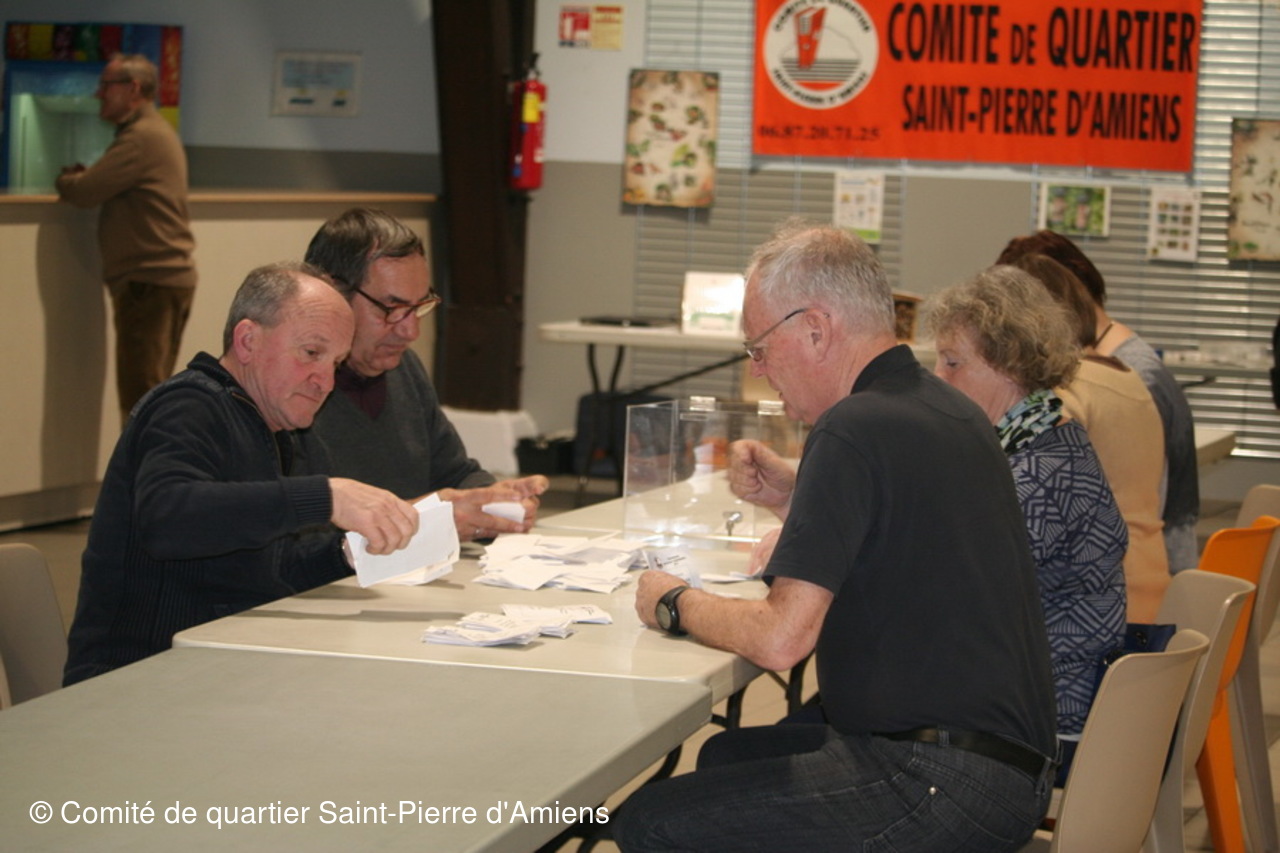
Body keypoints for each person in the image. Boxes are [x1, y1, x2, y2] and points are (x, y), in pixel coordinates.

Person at [613, 223, 1057, 852]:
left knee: (650, 820)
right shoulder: (944, 406)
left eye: (760, 347)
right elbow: (895, 538)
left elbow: (780, 638)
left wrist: (673, 601)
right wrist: (796, 498)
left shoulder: (853, 426)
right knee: (725, 757)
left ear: (817, 329)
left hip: (938, 780)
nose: (758, 369)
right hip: (1010, 766)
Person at [63, 262, 419, 686]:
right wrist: (327, 497)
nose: (324, 381)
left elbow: (269, 571)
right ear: (247, 340)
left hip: (221, 669)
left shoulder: (284, 432)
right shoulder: (187, 406)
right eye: (311, 353)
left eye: (336, 363)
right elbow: (168, 517)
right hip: (134, 682)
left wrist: (349, 552)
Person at [926, 265, 1127, 782]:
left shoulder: (1035, 478)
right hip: (1046, 700)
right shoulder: (1050, 439)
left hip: (1040, 727)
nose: (938, 378)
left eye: (953, 362)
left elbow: (940, 597)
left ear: (1010, 363)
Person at [298, 207, 547, 541]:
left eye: (419, 307)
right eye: (392, 309)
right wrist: (429, 518)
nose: (411, 331)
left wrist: (494, 499)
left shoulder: (404, 369)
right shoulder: (291, 389)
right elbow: (298, 538)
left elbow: (454, 473)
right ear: (331, 293)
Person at [997, 230, 1199, 573]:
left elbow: (1016, 480)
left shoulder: (1068, 393)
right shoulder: (1127, 372)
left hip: (1113, 581)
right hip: (1145, 568)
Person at [1008, 253, 1170, 622]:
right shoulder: (1128, 377)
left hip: (1100, 602)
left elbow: (1026, 504)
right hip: (1148, 582)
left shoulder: (1066, 393)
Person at [55, 53, 197, 422]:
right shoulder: (154, 133)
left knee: (140, 400)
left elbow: (84, 191)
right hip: (162, 280)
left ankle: (144, 463)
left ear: (133, 89)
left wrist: (66, 179)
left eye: (106, 85)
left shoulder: (140, 138)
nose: (98, 94)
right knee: (151, 394)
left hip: (147, 283)